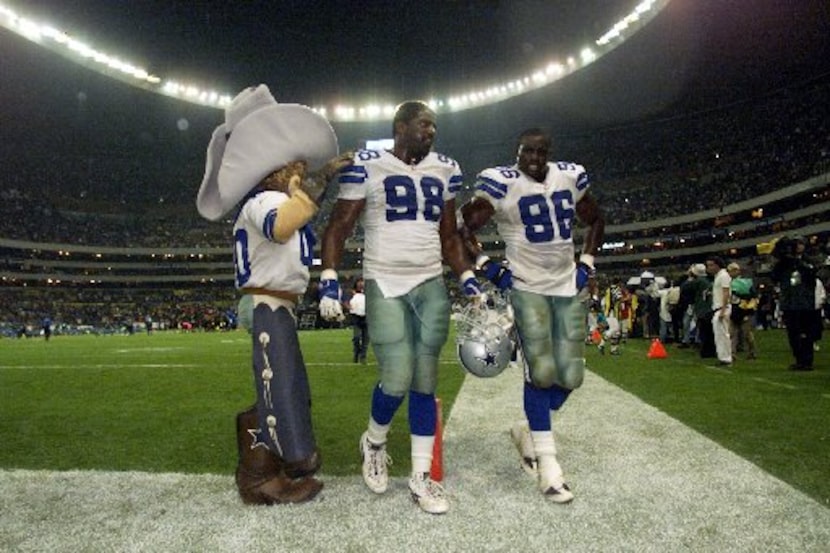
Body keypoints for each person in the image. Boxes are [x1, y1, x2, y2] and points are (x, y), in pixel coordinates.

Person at [317, 101, 482, 515]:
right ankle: (374, 440)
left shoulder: (445, 168)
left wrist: (467, 277)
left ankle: (421, 477)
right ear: (401, 127)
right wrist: (328, 278)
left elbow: (448, 237)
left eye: (434, 126)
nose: (431, 132)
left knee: (426, 379)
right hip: (384, 280)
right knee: (397, 375)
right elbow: (340, 224)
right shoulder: (369, 164)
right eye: (424, 124)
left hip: (429, 281)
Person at [196, 84, 352, 505]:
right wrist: (318, 184)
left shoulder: (271, 197)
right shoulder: (262, 201)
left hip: (279, 304)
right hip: (266, 302)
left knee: (287, 384)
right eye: (295, 168)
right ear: (274, 171)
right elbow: (281, 225)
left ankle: (262, 472)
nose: (300, 173)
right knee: (278, 384)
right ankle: (284, 464)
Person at [459, 127, 605, 503]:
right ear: (517, 152)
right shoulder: (501, 183)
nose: (534, 160)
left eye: (541, 153)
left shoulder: (569, 177)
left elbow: (596, 220)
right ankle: (549, 465)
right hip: (525, 286)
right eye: (528, 152)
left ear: (549, 153)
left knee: (570, 376)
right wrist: (486, 264)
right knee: (540, 372)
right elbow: (462, 229)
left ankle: (527, 428)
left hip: (566, 284)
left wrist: (586, 262)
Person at [770, 236, 818, 370]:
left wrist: (798, 262)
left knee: (806, 334)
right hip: (789, 303)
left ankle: (807, 361)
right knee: (793, 334)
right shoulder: (784, 263)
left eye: (801, 244)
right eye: (796, 244)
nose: (798, 247)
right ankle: (799, 359)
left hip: (805, 304)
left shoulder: (808, 261)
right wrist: (783, 259)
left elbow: (812, 274)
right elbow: (774, 276)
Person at [727, 262, 758, 360]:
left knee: (747, 334)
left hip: (744, 310)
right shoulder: (729, 282)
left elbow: (752, 297)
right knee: (732, 333)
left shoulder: (746, 283)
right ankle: (732, 353)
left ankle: (752, 352)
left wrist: (749, 310)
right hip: (734, 310)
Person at [706, 256, 733, 366]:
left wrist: (723, 309)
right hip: (719, 307)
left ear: (717, 265)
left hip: (722, 308)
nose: (709, 268)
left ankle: (726, 358)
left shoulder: (723, 275)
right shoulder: (718, 276)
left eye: (711, 265)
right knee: (719, 335)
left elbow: (726, 292)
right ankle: (723, 357)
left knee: (722, 334)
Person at [346, 277, 368, 363]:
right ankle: (356, 352)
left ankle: (363, 357)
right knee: (356, 337)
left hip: (366, 316)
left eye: (362, 282)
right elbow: (346, 301)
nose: (361, 284)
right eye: (359, 282)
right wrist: (349, 307)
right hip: (356, 316)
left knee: (365, 339)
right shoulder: (352, 293)